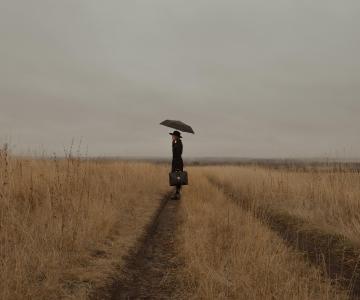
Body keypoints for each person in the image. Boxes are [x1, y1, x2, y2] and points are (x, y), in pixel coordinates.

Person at [170, 130, 183, 199]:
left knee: (178, 178)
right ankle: (177, 194)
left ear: (176, 136)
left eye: (173, 135)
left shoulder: (178, 143)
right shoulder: (176, 142)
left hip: (177, 162)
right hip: (176, 162)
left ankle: (177, 194)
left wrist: (173, 145)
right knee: (176, 178)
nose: (172, 136)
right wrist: (173, 144)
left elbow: (177, 153)